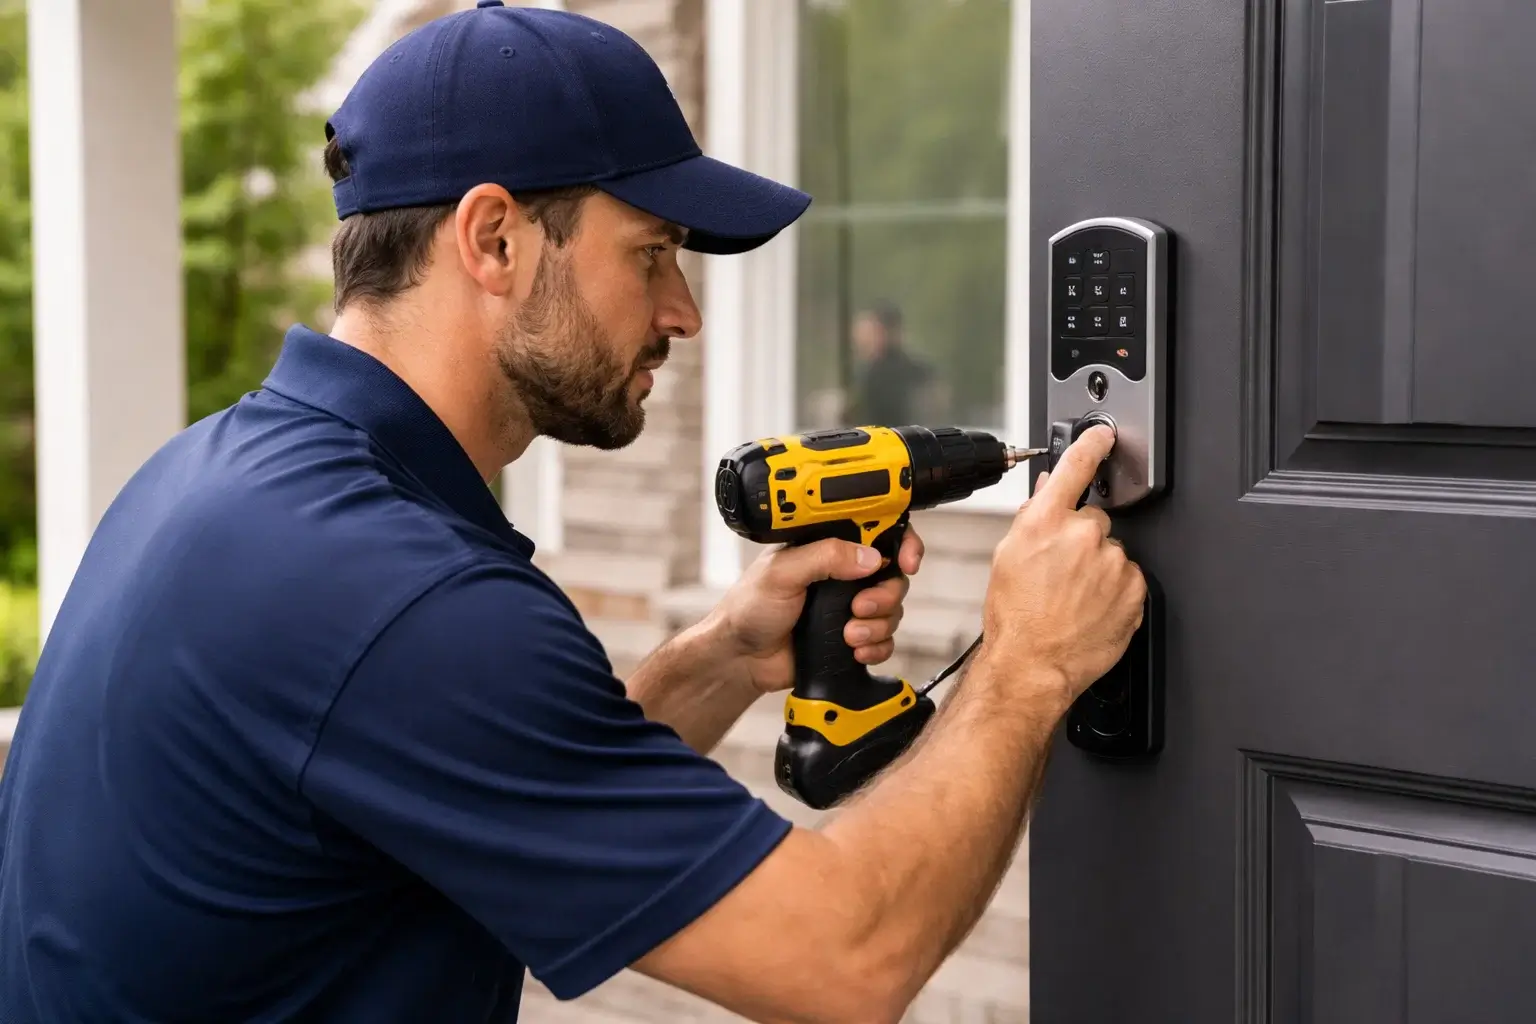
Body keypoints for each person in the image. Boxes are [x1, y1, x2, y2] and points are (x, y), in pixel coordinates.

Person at [0, 5, 1145, 1023]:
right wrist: (1028, 666)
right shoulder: (403, 600)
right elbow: (845, 963)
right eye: (649, 253)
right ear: (493, 238)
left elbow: (490, 782)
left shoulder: (220, 479)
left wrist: (722, 657)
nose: (683, 312)